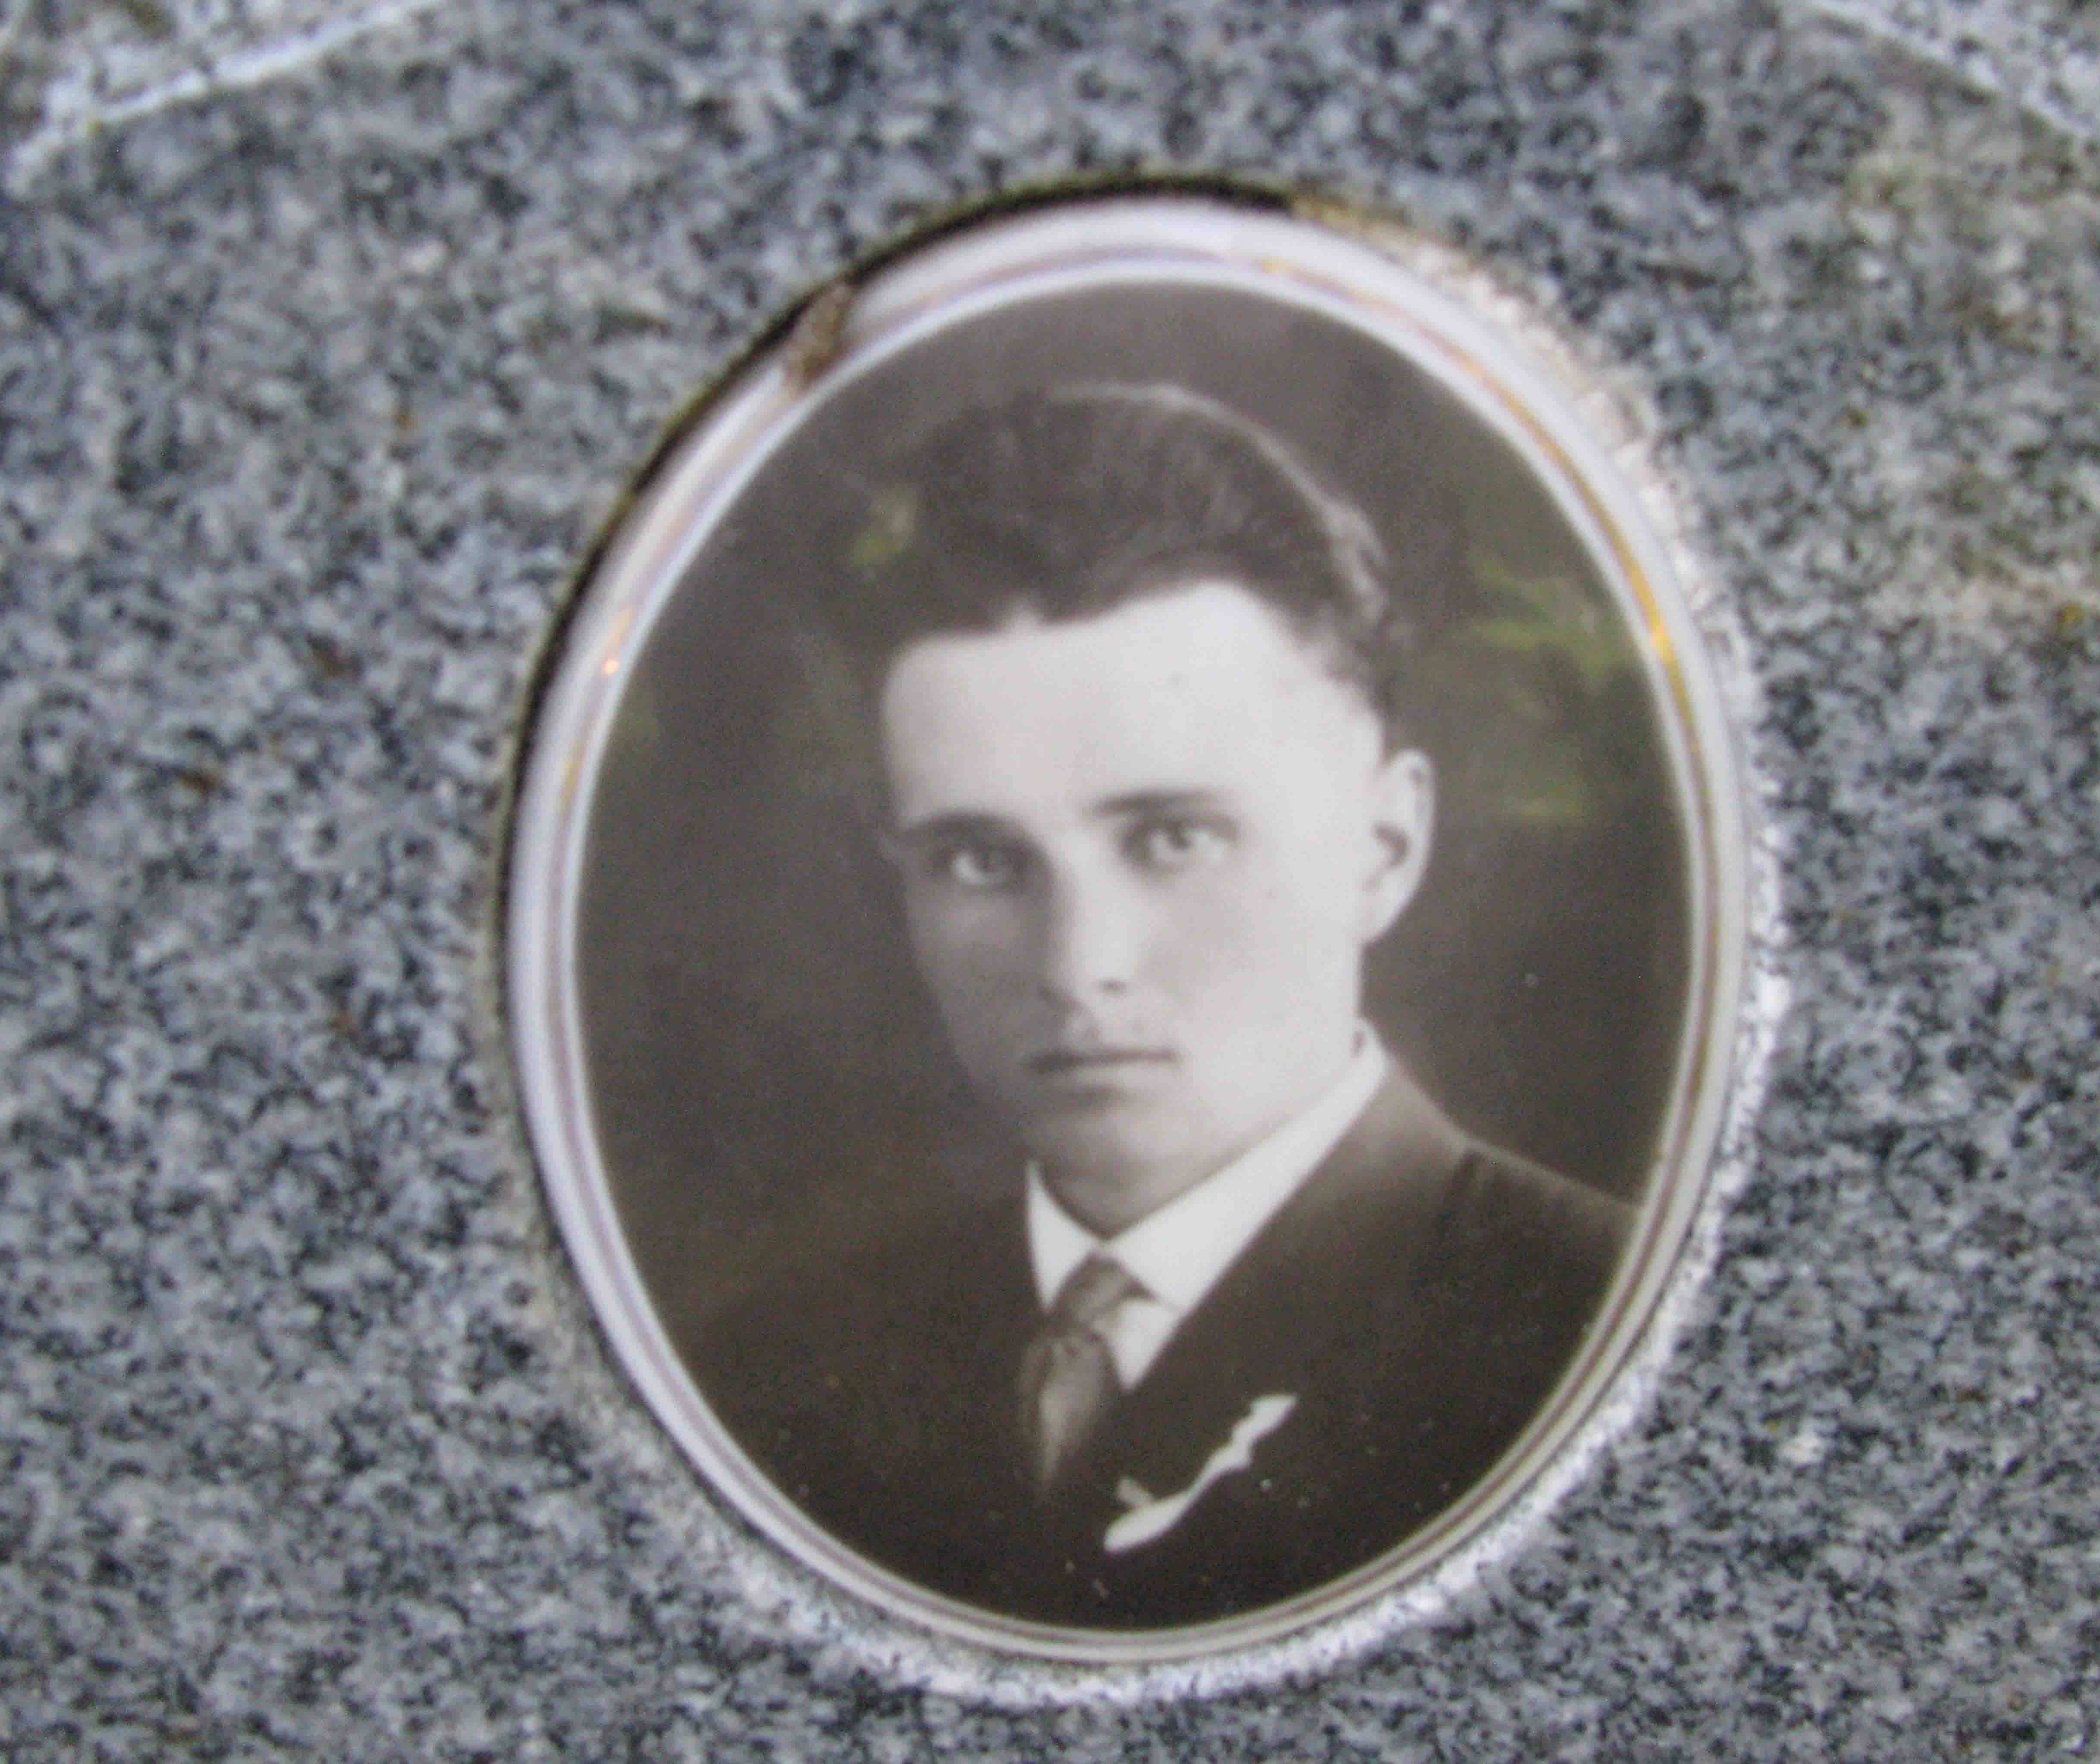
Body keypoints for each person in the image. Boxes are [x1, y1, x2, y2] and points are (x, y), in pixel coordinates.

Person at [694, 383, 1631, 1630]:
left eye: (1175, 838)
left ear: (1384, 847)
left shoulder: (1603, 1333)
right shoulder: (764, 1376)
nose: (1078, 964)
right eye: (981, 860)